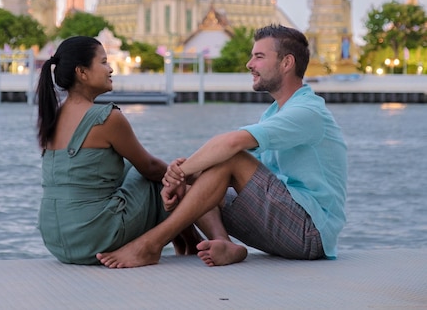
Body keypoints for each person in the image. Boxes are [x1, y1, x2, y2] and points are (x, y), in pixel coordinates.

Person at [96, 24, 347, 268]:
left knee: (228, 157)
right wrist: (185, 178)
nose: (250, 64)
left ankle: (151, 244)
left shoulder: (307, 111)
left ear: (287, 63)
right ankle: (223, 244)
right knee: (202, 174)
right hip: (289, 224)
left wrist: (179, 174)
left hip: (312, 233)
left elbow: (232, 144)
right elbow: (242, 170)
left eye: (259, 57)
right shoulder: (275, 113)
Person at [36, 35, 199, 264]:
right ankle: (194, 243)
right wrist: (185, 176)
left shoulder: (52, 116)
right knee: (154, 175)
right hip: (95, 237)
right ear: (82, 72)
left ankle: (187, 241)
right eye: (103, 62)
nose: (110, 69)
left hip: (56, 240)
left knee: (130, 167)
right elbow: (150, 168)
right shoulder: (106, 118)